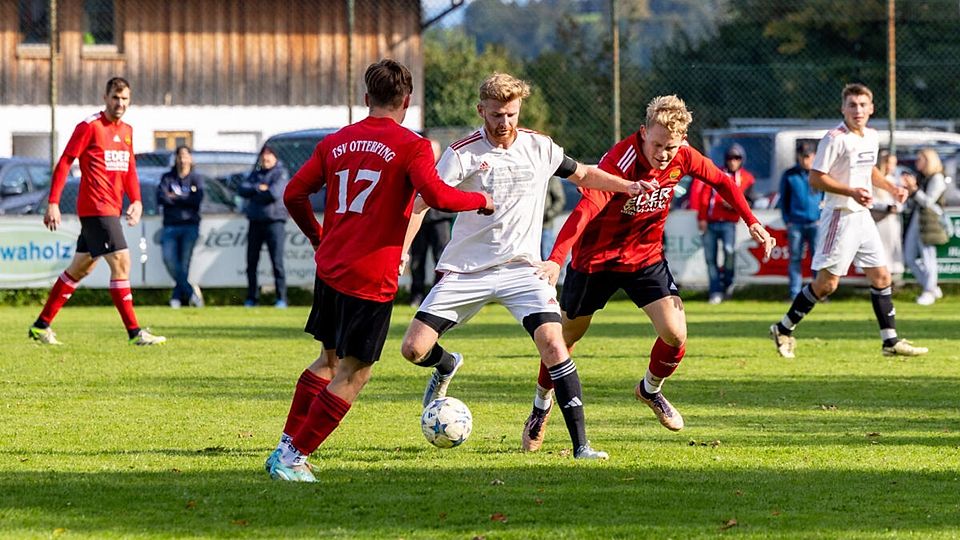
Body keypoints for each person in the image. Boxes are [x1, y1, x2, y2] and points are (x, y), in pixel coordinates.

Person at [265, 59, 494, 482]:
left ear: (366, 99)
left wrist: (319, 238)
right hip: (370, 278)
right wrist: (479, 201)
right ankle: (293, 456)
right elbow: (438, 197)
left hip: (330, 268)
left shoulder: (336, 142)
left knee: (328, 361)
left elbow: (294, 194)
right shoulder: (413, 146)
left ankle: (286, 446)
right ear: (406, 101)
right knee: (356, 372)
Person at [400, 73, 648, 461]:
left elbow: (583, 173)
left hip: (522, 269)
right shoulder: (463, 153)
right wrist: (402, 251)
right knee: (413, 349)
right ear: (481, 110)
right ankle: (447, 364)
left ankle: (581, 446)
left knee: (554, 343)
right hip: (468, 269)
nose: (504, 123)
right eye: (496, 114)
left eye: (511, 114)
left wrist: (626, 186)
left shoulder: (539, 146)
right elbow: (421, 203)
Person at [517, 95, 774, 452]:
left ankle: (650, 390)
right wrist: (557, 259)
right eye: (656, 145)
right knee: (564, 341)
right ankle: (540, 407)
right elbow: (585, 210)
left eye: (670, 147)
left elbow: (722, 182)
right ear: (642, 133)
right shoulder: (619, 162)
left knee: (675, 334)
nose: (663, 154)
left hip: (645, 258)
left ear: (681, 141)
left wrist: (753, 222)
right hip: (596, 261)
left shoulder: (683, 155)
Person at [769, 83, 928, 359]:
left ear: (872, 108)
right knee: (826, 284)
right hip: (839, 217)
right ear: (843, 108)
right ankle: (783, 328)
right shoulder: (834, 138)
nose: (858, 110)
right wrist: (850, 191)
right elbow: (816, 178)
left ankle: (889, 341)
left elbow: (870, 172)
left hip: (861, 216)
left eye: (863, 104)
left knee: (882, 276)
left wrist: (891, 188)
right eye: (852, 105)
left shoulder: (871, 136)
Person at [27, 77, 166, 346]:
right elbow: (66, 160)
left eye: (125, 98)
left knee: (80, 269)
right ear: (105, 97)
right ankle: (135, 332)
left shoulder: (126, 130)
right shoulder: (90, 126)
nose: (120, 103)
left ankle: (41, 326)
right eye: (116, 97)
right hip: (96, 207)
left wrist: (136, 200)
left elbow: (129, 169)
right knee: (122, 262)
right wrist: (53, 202)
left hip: (111, 208)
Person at [698, 143, 755, 304]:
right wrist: (701, 217)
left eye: (736, 158)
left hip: (729, 222)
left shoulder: (747, 178)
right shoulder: (717, 173)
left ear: (741, 160)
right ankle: (715, 291)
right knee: (710, 258)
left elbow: (750, 200)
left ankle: (728, 283)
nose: (733, 161)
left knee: (730, 251)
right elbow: (705, 195)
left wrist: (735, 205)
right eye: (730, 158)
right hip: (711, 220)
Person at [239, 145, 290, 308]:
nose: (265, 159)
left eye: (268, 156)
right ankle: (252, 298)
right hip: (255, 222)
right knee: (251, 262)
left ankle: (281, 298)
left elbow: (274, 194)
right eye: (263, 156)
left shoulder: (280, 173)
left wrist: (256, 193)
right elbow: (242, 189)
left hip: (275, 222)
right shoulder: (256, 174)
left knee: (277, 262)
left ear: (275, 158)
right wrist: (258, 189)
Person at [408, 140, 454, 307]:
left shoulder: (447, 168)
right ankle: (416, 296)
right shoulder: (416, 167)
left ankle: (438, 294)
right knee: (417, 260)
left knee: (441, 257)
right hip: (420, 219)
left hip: (440, 219)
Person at [157, 146, 204, 309]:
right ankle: (191, 293)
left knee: (184, 265)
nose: (183, 159)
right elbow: (162, 198)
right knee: (169, 260)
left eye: (186, 156)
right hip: (170, 225)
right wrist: (185, 198)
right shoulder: (167, 178)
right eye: (180, 156)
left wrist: (175, 197)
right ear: (176, 159)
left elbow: (196, 200)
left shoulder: (196, 178)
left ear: (190, 159)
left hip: (190, 225)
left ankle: (176, 298)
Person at [901, 148, 948, 306]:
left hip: (930, 221)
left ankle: (928, 291)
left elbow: (928, 201)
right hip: (917, 219)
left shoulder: (937, 178)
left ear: (929, 161)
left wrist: (914, 190)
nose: (917, 163)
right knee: (909, 257)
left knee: (929, 257)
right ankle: (932, 286)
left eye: (920, 159)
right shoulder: (922, 177)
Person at [778, 141, 822, 298]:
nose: (805, 160)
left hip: (815, 223)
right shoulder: (790, 175)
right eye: (802, 157)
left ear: (814, 156)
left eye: (808, 156)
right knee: (795, 258)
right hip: (795, 223)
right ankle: (795, 293)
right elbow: (783, 200)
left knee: (817, 258)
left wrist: (821, 217)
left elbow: (826, 198)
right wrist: (787, 220)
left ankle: (819, 291)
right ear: (798, 156)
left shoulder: (819, 174)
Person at [871, 150, 905, 278]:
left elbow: (902, 201)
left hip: (892, 221)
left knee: (892, 251)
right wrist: (886, 207)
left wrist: (897, 207)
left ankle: (889, 281)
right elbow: (872, 200)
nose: (893, 167)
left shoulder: (895, 180)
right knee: (879, 251)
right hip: (879, 220)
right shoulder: (876, 180)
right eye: (890, 163)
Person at [541, 176, 567, 260]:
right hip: (528, 228)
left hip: (545, 226)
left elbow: (560, 200)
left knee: (546, 257)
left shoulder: (551, 178)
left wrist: (548, 214)